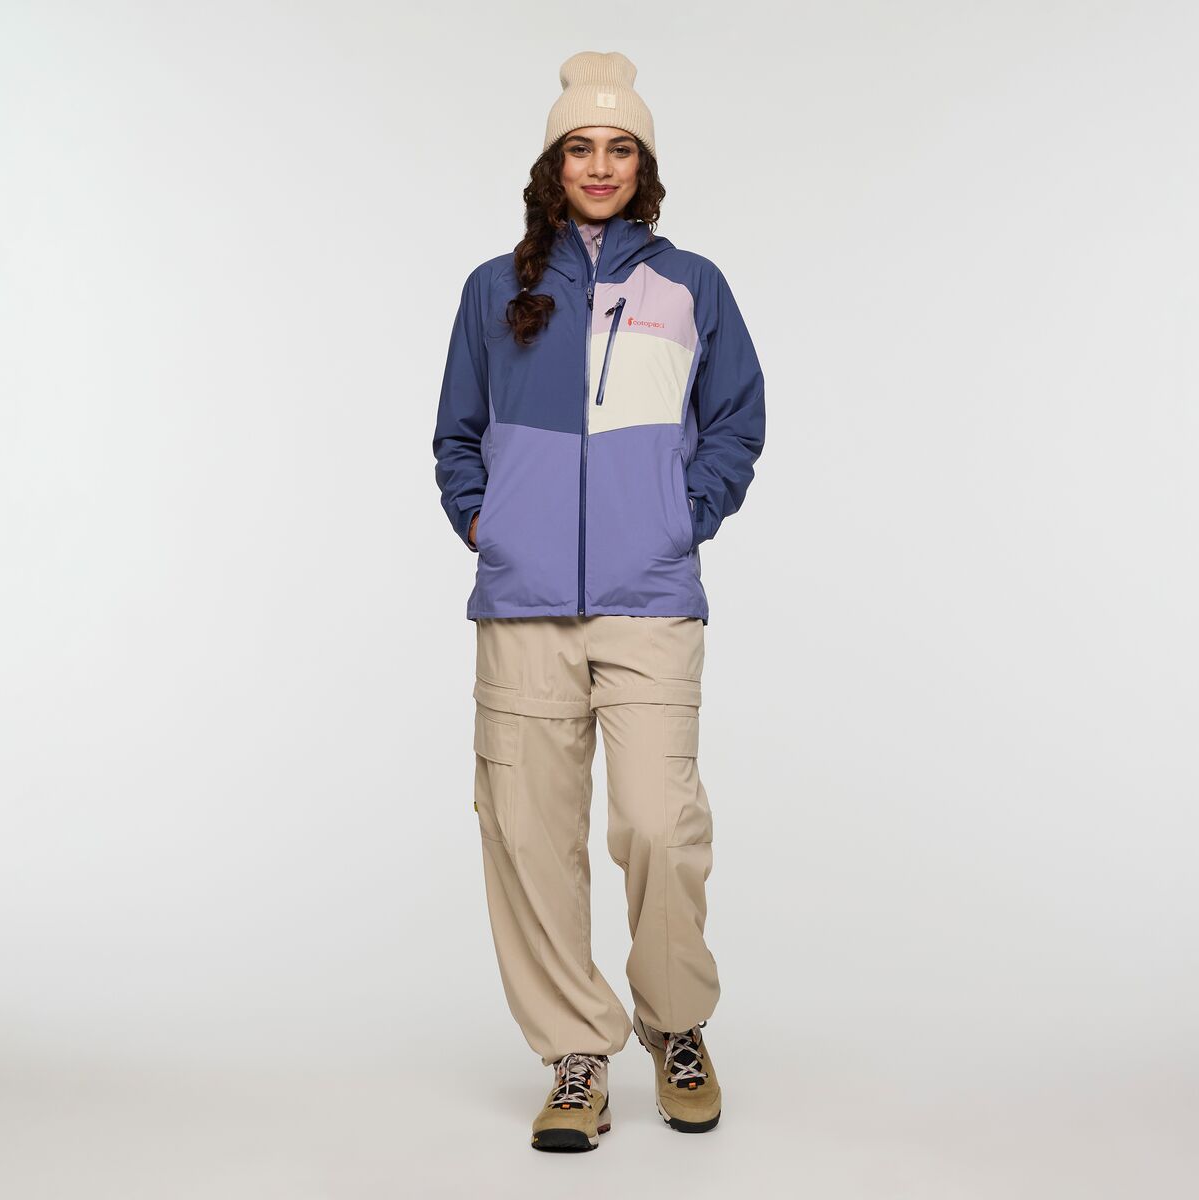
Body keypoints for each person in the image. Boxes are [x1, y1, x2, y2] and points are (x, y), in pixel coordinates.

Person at [432, 49, 765, 1153]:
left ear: (644, 165)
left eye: (621, 147)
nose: (601, 165)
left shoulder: (691, 284)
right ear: (553, 162)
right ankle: (576, 1052)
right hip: (523, 599)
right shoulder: (495, 289)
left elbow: (737, 419)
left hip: (650, 594)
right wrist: (483, 520)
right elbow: (457, 433)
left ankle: (675, 1024)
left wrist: (684, 511)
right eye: (581, 146)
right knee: (528, 834)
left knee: (660, 824)